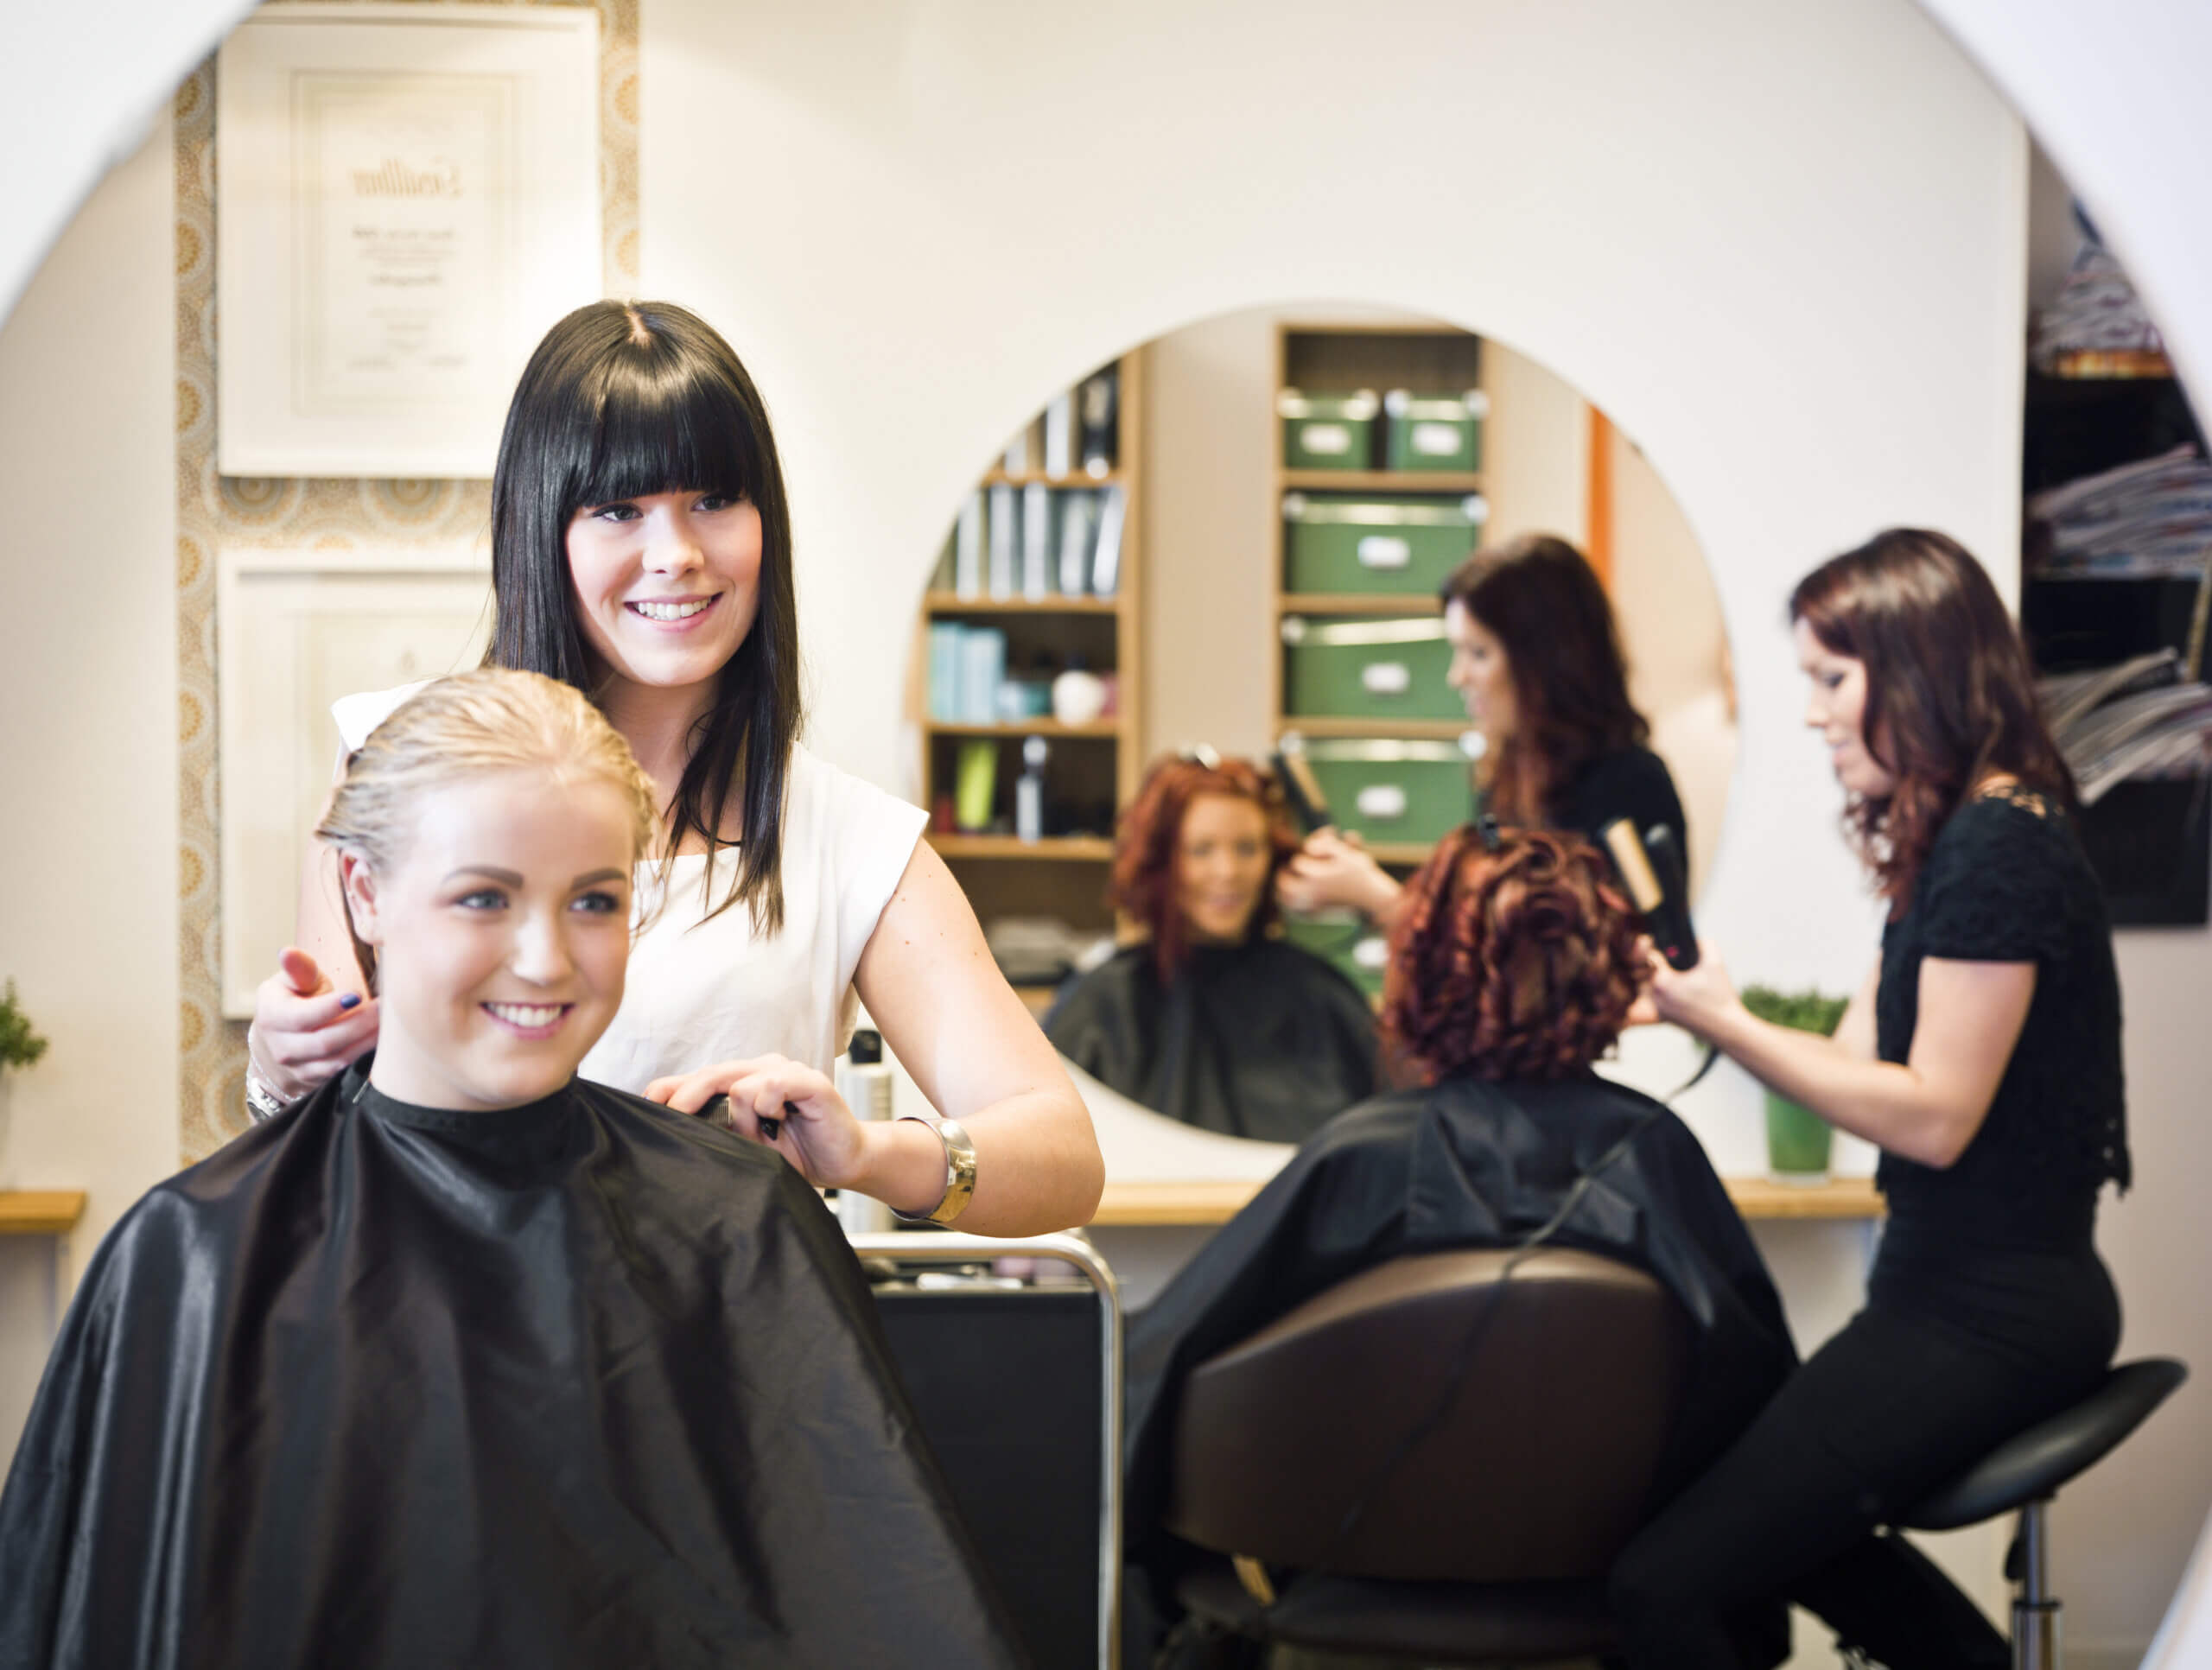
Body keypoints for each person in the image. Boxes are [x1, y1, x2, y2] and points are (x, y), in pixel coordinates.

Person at [0, 670, 1025, 1670]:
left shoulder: (736, 1220)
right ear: (363, 892)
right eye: (484, 897)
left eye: (594, 900)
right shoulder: (196, 1253)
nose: (544, 958)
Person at [245, 299, 1101, 1236]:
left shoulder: (848, 841)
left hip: (723, 1352)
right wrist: (285, 1068)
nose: (678, 555)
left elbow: (1060, 1159)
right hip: (447, 1336)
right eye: (619, 509)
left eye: (714, 501)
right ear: (542, 527)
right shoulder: (395, 761)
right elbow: (324, 1130)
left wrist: (865, 1154)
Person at [1608, 529, 2130, 1669]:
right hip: (1941, 1296)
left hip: (1997, 1311)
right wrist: (1707, 1010)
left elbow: (1933, 1115)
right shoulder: (1949, 845)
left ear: (1921, 671)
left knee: (1655, 1588)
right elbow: (1856, 1057)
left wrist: (1727, 1026)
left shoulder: (2002, 843)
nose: (1813, 713)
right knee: (1766, 1533)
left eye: (1831, 679)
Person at [1122, 822, 1796, 1665]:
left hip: (1339, 1565)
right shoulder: (1653, 1151)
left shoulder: (1359, 1154)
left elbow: (1163, 1374)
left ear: (1420, 960)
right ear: (1604, 970)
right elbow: (1755, 1389)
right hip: (1604, 1574)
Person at [1276, 533, 1687, 930]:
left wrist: (1380, 899)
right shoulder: (1507, 780)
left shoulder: (1630, 787)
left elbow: (1560, 966)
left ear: (1545, 660)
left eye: (1479, 653)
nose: (1458, 677)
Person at [1042, 752, 1379, 1142]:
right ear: (1161, 862)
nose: (1228, 872)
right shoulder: (1105, 1003)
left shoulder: (1321, 995)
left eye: (1247, 848)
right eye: (1201, 850)